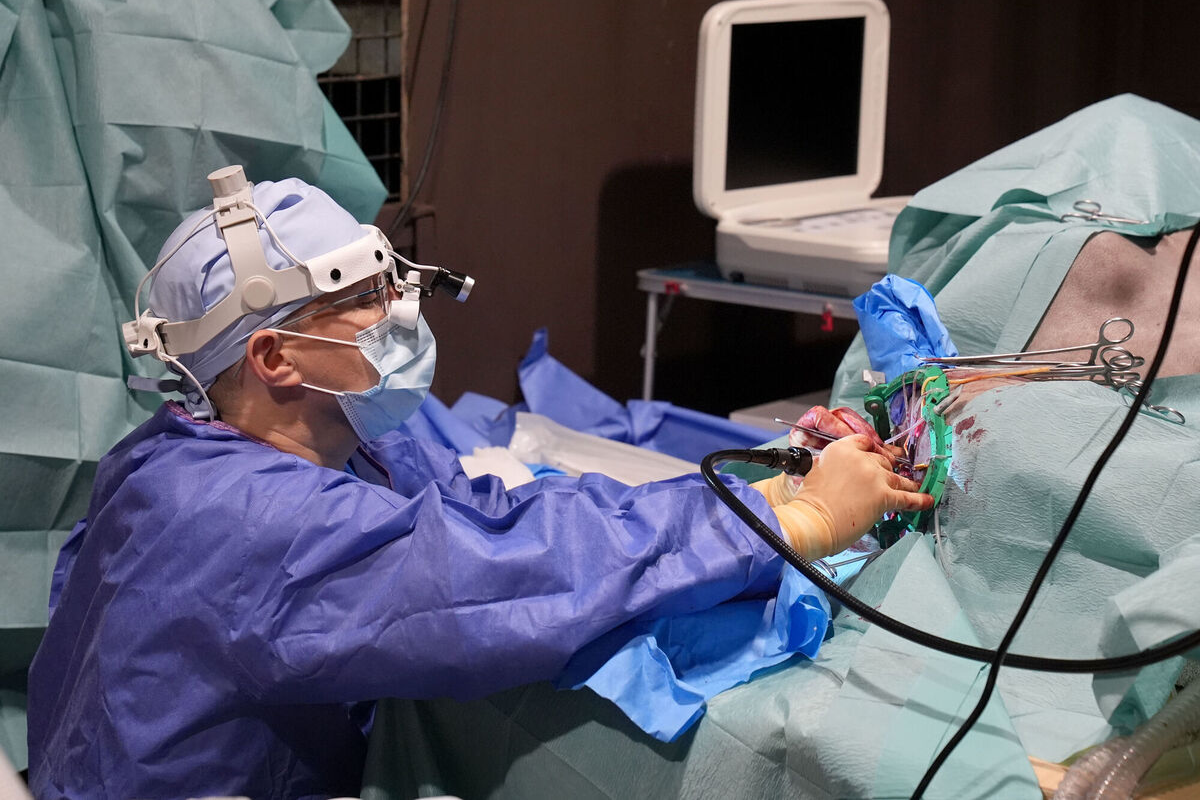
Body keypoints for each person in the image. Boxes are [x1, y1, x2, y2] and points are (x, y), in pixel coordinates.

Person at [26, 170, 931, 799]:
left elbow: (480, 516)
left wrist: (755, 489)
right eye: (368, 299)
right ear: (274, 357)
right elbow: (496, 571)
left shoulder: (200, 447)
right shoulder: (242, 517)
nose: (403, 315)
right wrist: (789, 520)